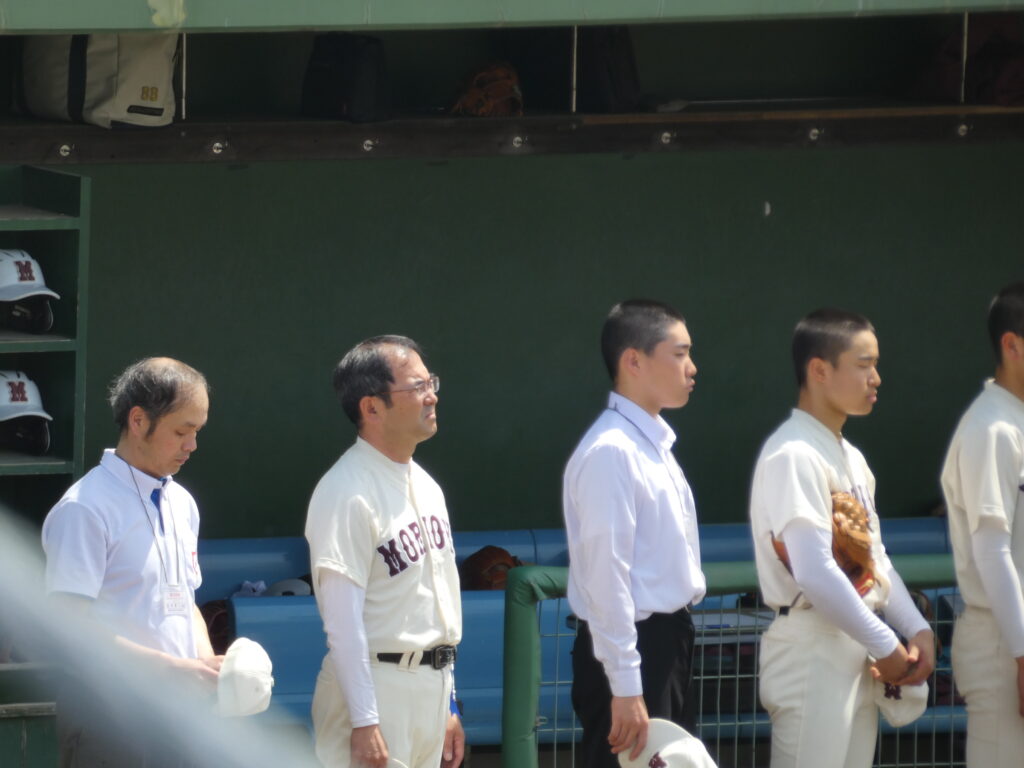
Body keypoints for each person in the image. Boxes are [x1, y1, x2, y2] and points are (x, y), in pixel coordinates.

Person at [749, 308, 935, 768]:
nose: (876, 378)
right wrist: (887, 644)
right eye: (863, 364)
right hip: (811, 643)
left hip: (856, 638)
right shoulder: (793, 451)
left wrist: (917, 629)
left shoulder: (850, 456)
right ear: (819, 370)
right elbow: (813, 571)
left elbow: (876, 559)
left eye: (876, 365)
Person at [42, 357, 221, 767]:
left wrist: (205, 665)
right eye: (182, 432)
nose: (192, 446)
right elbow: (68, 629)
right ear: (138, 420)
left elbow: (186, 600)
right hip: (109, 719)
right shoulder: (84, 508)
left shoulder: (182, 502)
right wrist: (173, 669)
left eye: (197, 432)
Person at [305, 335, 463, 768]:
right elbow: (342, 622)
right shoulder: (345, 490)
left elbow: (436, 608)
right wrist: (364, 720)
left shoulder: (427, 485)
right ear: (371, 407)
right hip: (376, 688)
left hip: (430, 688)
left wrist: (449, 703)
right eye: (416, 387)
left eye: (431, 382)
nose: (431, 395)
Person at [563, 299, 705, 767]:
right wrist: (626, 684)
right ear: (634, 361)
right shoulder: (612, 450)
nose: (691, 367)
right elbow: (606, 576)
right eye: (679, 353)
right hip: (634, 652)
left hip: (666, 644)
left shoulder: (651, 443)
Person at [941, 282, 1024, 767]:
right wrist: (1022, 654)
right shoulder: (992, 426)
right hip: (1002, 642)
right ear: (1012, 345)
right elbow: (992, 552)